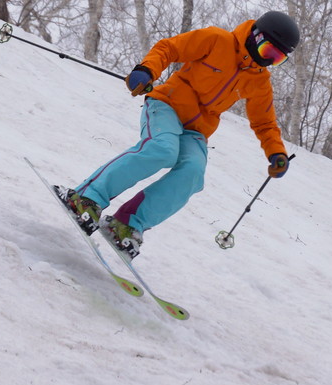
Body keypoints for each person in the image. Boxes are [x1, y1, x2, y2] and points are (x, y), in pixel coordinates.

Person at [57, 11, 300, 260]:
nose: (268, 61)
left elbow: (265, 123)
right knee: (162, 150)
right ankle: (86, 197)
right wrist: (146, 70)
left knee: (193, 174)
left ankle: (127, 223)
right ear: (255, 36)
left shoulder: (259, 81)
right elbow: (169, 48)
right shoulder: (217, 40)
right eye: (268, 51)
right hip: (167, 106)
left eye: (278, 58)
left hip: (196, 131)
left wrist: (276, 152)